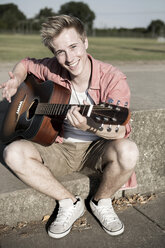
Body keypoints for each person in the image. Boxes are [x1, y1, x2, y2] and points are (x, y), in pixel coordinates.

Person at [0, 15, 139, 239]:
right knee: (12, 153)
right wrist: (16, 79)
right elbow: (25, 64)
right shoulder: (53, 68)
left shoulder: (112, 78)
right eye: (60, 51)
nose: (69, 58)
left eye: (73, 46)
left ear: (85, 42)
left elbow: (120, 131)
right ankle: (69, 202)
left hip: (98, 149)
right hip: (59, 146)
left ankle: (100, 201)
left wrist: (90, 125)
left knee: (129, 151)